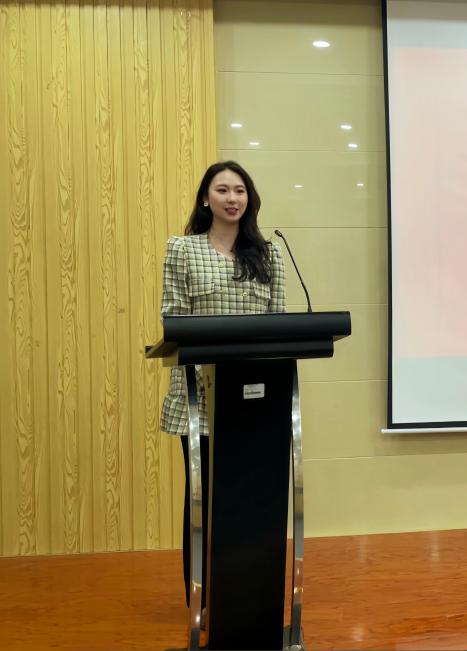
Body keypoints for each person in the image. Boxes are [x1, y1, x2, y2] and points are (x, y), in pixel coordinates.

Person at [158, 160, 286, 621]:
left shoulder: (268, 254)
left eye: (240, 190)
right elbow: (173, 319)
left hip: (255, 400)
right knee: (203, 500)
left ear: (249, 199)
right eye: (223, 190)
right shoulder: (182, 249)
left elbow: (279, 326)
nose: (232, 198)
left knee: (250, 501)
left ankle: (246, 594)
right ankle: (204, 600)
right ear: (205, 198)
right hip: (201, 398)